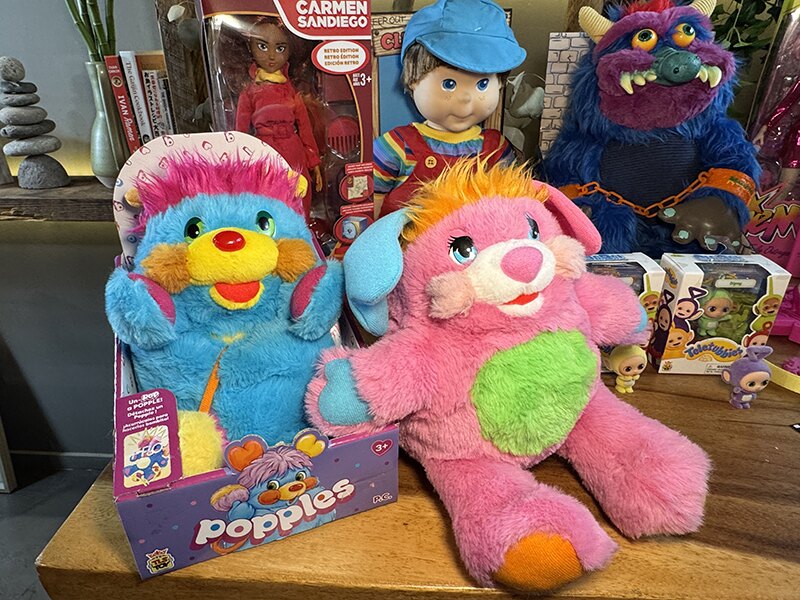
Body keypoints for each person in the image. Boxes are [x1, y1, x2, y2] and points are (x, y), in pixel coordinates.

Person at [373, 0, 525, 217]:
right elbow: (371, 201)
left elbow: (511, 203)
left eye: (482, 84)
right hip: (410, 236)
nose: (465, 99)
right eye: (449, 84)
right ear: (413, 79)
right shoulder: (397, 146)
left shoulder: (496, 148)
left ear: (499, 84)